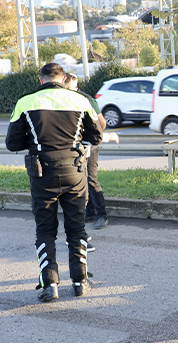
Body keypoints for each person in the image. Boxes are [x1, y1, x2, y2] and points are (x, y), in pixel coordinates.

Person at [5, 63, 103, 302]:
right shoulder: (80, 100)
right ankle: (80, 283)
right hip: (75, 172)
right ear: (62, 79)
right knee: (76, 228)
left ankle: (50, 285)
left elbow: (12, 143)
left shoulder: (26, 102)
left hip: (42, 174)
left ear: (41, 80)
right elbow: (96, 136)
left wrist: (35, 141)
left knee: (45, 230)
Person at [64, 73, 113, 234]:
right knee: (81, 178)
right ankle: (90, 212)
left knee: (91, 178)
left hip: (89, 144)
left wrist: (87, 136)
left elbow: (102, 124)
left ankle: (102, 216)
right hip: (75, 145)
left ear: (73, 86)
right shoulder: (66, 100)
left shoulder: (87, 100)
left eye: (66, 87)